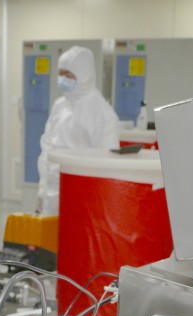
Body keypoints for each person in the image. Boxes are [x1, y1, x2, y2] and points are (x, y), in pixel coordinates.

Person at [36, 45, 119, 215]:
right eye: (60, 73)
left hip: (82, 198)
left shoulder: (103, 114)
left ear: (84, 75)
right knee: (51, 240)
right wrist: (43, 184)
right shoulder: (60, 106)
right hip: (52, 192)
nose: (62, 79)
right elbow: (47, 145)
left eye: (68, 75)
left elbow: (107, 164)